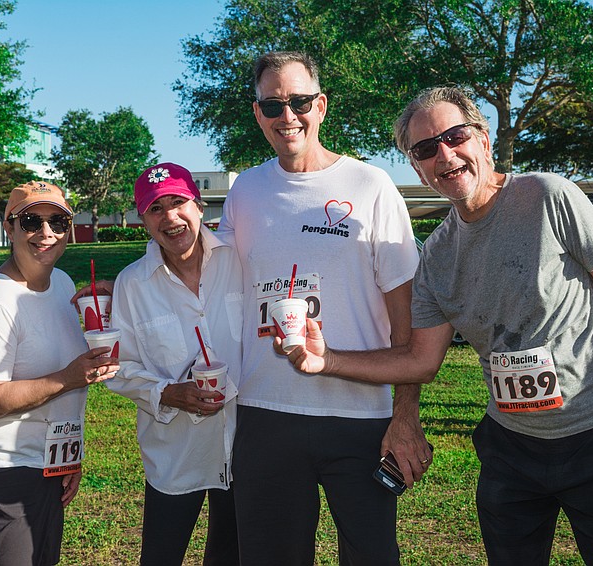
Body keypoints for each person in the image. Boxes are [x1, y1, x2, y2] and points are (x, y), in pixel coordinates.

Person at [279, 86, 593, 565]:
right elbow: (420, 359)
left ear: (483, 139)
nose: (445, 155)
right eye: (426, 149)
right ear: (415, 166)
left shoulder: (547, 196)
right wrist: (327, 361)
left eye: (455, 137)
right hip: (512, 449)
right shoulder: (435, 257)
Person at [217, 51, 425, 565]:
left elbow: (408, 319)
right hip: (266, 413)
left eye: (300, 101)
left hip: (359, 415)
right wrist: (133, 279)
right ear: (257, 113)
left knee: (372, 556)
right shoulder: (245, 190)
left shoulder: (370, 185)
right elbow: (209, 273)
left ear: (322, 105)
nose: (288, 116)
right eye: (273, 105)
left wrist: (406, 415)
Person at [0, 181, 119, 566]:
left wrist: (67, 457)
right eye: (31, 221)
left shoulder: (60, 284)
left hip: (45, 462)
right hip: (0, 469)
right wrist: (68, 377)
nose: (46, 233)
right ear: (9, 227)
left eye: (58, 222)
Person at [106, 162, 242, 565]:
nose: (170, 216)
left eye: (178, 202)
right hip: (175, 454)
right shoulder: (132, 284)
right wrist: (168, 392)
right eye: (155, 208)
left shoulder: (241, 261)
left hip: (243, 446)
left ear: (199, 206)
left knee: (230, 556)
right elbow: (120, 367)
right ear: (143, 220)